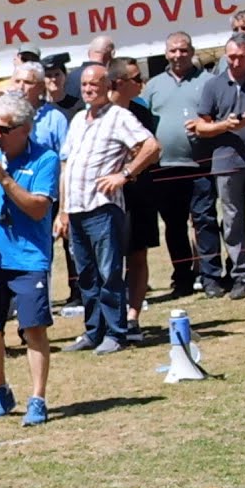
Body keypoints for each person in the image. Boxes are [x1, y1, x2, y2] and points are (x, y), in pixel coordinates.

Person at [0, 94, 59, 426]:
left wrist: (5, 178)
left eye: (2, 129)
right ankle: (1, 390)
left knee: (33, 328)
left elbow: (37, 208)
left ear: (24, 129)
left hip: (28, 258)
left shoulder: (45, 159)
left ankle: (38, 399)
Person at [56, 64, 159, 355]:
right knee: (85, 275)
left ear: (108, 85)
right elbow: (66, 165)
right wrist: (62, 210)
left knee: (109, 272)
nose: (88, 89)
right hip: (76, 208)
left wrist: (124, 174)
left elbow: (151, 146)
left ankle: (116, 332)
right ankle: (94, 330)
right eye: (85, 85)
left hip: (103, 207)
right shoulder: (77, 119)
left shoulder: (119, 117)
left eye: (95, 84)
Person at [197, 34, 245, 300]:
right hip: (227, 160)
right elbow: (201, 126)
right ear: (224, 56)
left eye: (242, 56)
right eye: (232, 56)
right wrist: (225, 125)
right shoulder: (213, 85)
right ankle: (241, 276)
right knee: (232, 222)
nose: (237, 61)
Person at [144, 31, 219, 298]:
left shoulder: (209, 82)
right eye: (173, 50)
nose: (178, 55)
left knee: (205, 220)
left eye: (183, 50)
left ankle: (211, 277)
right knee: (174, 225)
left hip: (200, 164)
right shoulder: (153, 86)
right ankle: (183, 278)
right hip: (165, 167)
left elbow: (220, 118)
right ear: (166, 53)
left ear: (192, 51)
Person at [107, 57, 160, 342]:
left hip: (138, 191)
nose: (142, 84)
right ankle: (109, 317)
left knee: (138, 254)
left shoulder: (141, 111)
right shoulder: (97, 113)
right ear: (118, 82)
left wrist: (132, 167)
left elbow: (151, 150)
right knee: (108, 258)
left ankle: (132, 316)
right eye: (136, 79)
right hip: (106, 196)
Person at [42, 54, 83, 119]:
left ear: (65, 76)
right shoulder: (39, 105)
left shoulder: (76, 105)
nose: (54, 79)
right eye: (49, 76)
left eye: (57, 74)